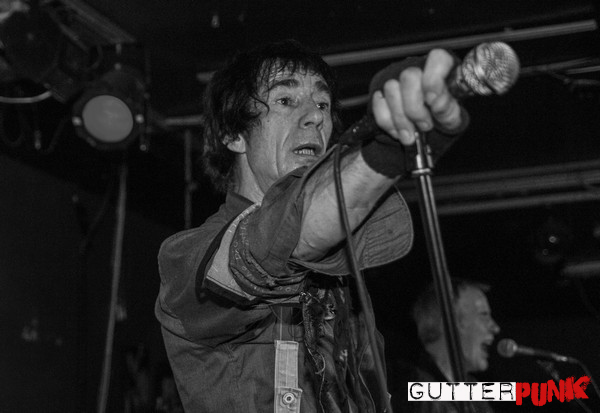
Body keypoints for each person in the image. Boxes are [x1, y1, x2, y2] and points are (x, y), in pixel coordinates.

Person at [155, 38, 467, 413]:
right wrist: (386, 153)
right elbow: (277, 240)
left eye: (322, 104)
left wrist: (482, 395)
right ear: (233, 134)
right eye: (285, 100)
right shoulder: (186, 257)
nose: (316, 117)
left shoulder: (342, 278)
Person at [399, 278, 501, 413]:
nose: (495, 328)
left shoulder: (473, 392)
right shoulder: (413, 387)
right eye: (483, 315)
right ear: (448, 321)